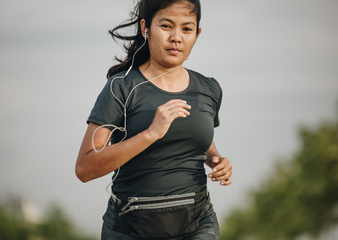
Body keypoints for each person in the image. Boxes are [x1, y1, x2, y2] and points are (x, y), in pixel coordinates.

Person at [75, 0, 232, 239]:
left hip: (197, 224)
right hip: (130, 228)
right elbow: (85, 168)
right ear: (145, 28)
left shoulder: (209, 88)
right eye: (166, 26)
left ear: (197, 34)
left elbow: (198, 143)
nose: (177, 37)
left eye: (187, 29)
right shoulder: (121, 87)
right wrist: (151, 134)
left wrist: (217, 161)